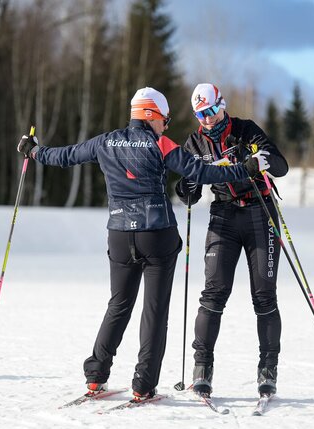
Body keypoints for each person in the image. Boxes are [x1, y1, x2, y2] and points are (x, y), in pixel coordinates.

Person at [16, 86, 268, 401]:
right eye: (164, 119)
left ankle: (96, 375)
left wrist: (33, 151)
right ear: (150, 115)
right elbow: (200, 172)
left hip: (120, 235)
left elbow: (64, 156)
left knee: (118, 305)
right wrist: (243, 169)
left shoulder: (105, 141)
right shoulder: (161, 143)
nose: (166, 124)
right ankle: (143, 385)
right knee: (154, 310)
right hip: (157, 235)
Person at [175, 83, 289, 398]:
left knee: (264, 296)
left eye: (211, 111)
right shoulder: (194, 143)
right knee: (213, 293)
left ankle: (268, 371)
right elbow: (188, 196)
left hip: (259, 213)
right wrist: (187, 184)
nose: (207, 119)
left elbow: (281, 167)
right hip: (223, 216)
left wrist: (259, 157)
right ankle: (202, 370)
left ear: (222, 105)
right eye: (201, 114)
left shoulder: (246, 130)